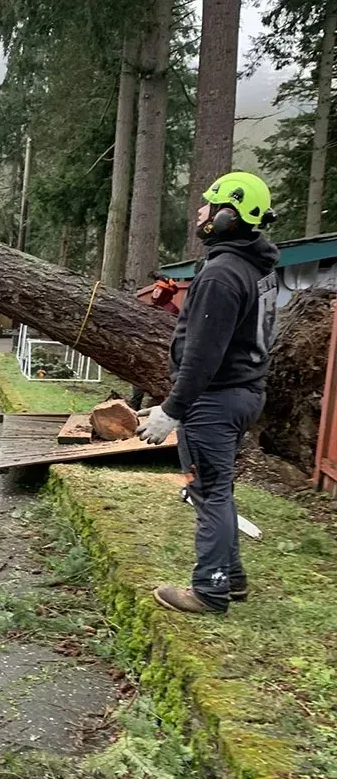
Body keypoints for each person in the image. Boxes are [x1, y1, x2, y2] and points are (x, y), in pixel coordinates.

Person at [136, 172, 279, 614]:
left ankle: (210, 590)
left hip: (215, 401)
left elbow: (203, 355)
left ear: (227, 217)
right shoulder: (253, 268)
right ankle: (231, 578)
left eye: (209, 205)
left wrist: (171, 409)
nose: (200, 212)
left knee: (207, 491)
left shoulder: (221, 274)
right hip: (243, 393)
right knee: (218, 489)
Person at [128, 277, 180, 412]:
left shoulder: (171, 311)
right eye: (156, 289)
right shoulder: (148, 307)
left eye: (160, 290)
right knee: (137, 388)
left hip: (160, 358)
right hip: (143, 354)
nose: (156, 292)